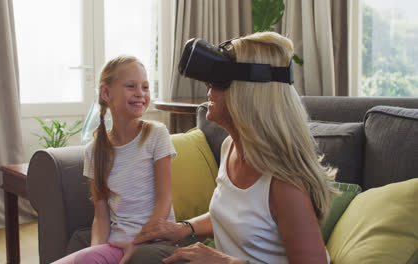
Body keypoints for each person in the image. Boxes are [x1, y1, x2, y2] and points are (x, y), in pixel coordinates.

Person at [126, 31, 337, 264]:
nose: (207, 84)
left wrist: (226, 262)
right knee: (139, 254)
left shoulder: (285, 183)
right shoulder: (231, 147)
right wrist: (184, 228)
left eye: (219, 79)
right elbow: (235, 218)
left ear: (248, 94)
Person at [53, 55, 176, 264]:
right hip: (116, 246)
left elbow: (165, 200)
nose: (140, 94)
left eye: (145, 87)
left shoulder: (157, 134)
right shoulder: (94, 151)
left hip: (154, 243)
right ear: (106, 93)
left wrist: (138, 244)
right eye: (131, 86)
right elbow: (101, 218)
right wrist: (96, 251)